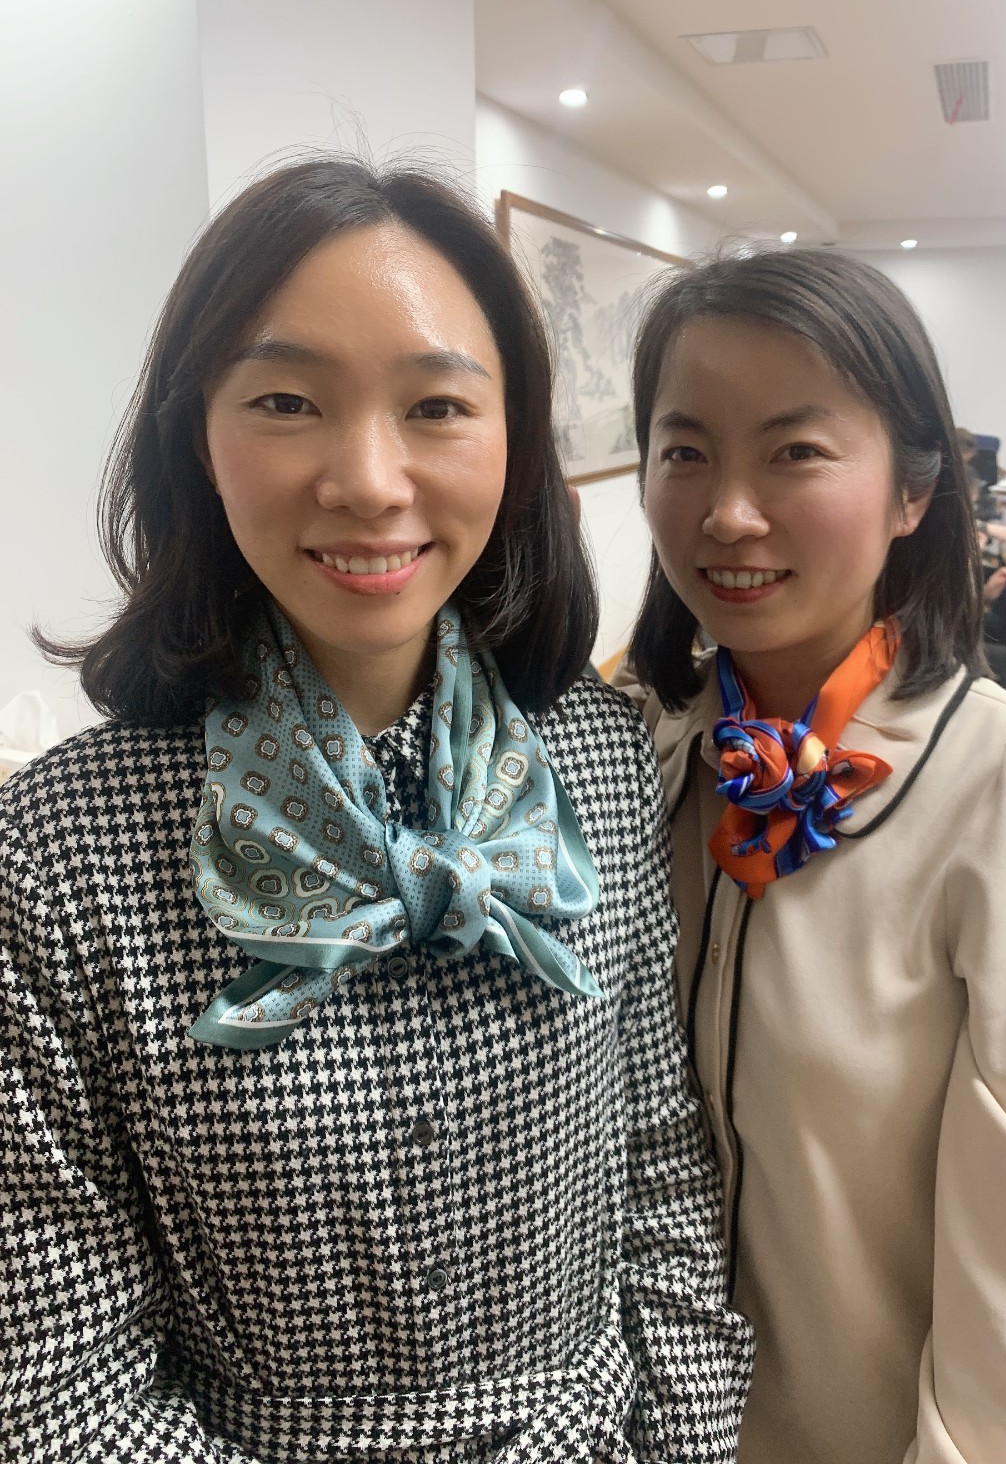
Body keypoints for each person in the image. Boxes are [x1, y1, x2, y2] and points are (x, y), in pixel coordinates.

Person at [0, 159, 753, 1462]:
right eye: (287, 401)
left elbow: (659, 1169)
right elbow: (62, 1388)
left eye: (436, 406)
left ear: (514, 440)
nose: (368, 480)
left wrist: (681, 1442)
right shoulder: (58, 854)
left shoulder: (596, 753)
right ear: (197, 436)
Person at [617, 247, 1006, 1463]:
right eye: (686, 450)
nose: (729, 512)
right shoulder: (632, 765)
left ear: (914, 492)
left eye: (796, 452)